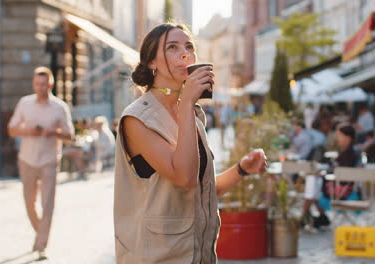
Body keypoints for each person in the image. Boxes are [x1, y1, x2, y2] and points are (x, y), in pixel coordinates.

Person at [113, 22, 267, 263]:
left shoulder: (192, 114)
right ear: (152, 62)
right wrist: (186, 102)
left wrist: (241, 169)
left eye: (189, 46)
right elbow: (184, 177)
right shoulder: (137, 118)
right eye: (172, 47)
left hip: (199, 254)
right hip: (158, 256)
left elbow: (202, 190)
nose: (185, 53)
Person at [7, 66, 74, 260]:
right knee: (29, 203)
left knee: (47, 204)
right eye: (37, 83)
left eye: (44, 84)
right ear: (33, 84)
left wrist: (52, 132)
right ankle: (40, 232)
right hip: (26, 160)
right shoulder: (24, 103)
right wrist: (28, 131)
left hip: (49, 160)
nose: (41, 87)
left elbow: (69, 135)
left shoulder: (60, 107)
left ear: (50, 84)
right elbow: (12, 129)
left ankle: (41, 245)